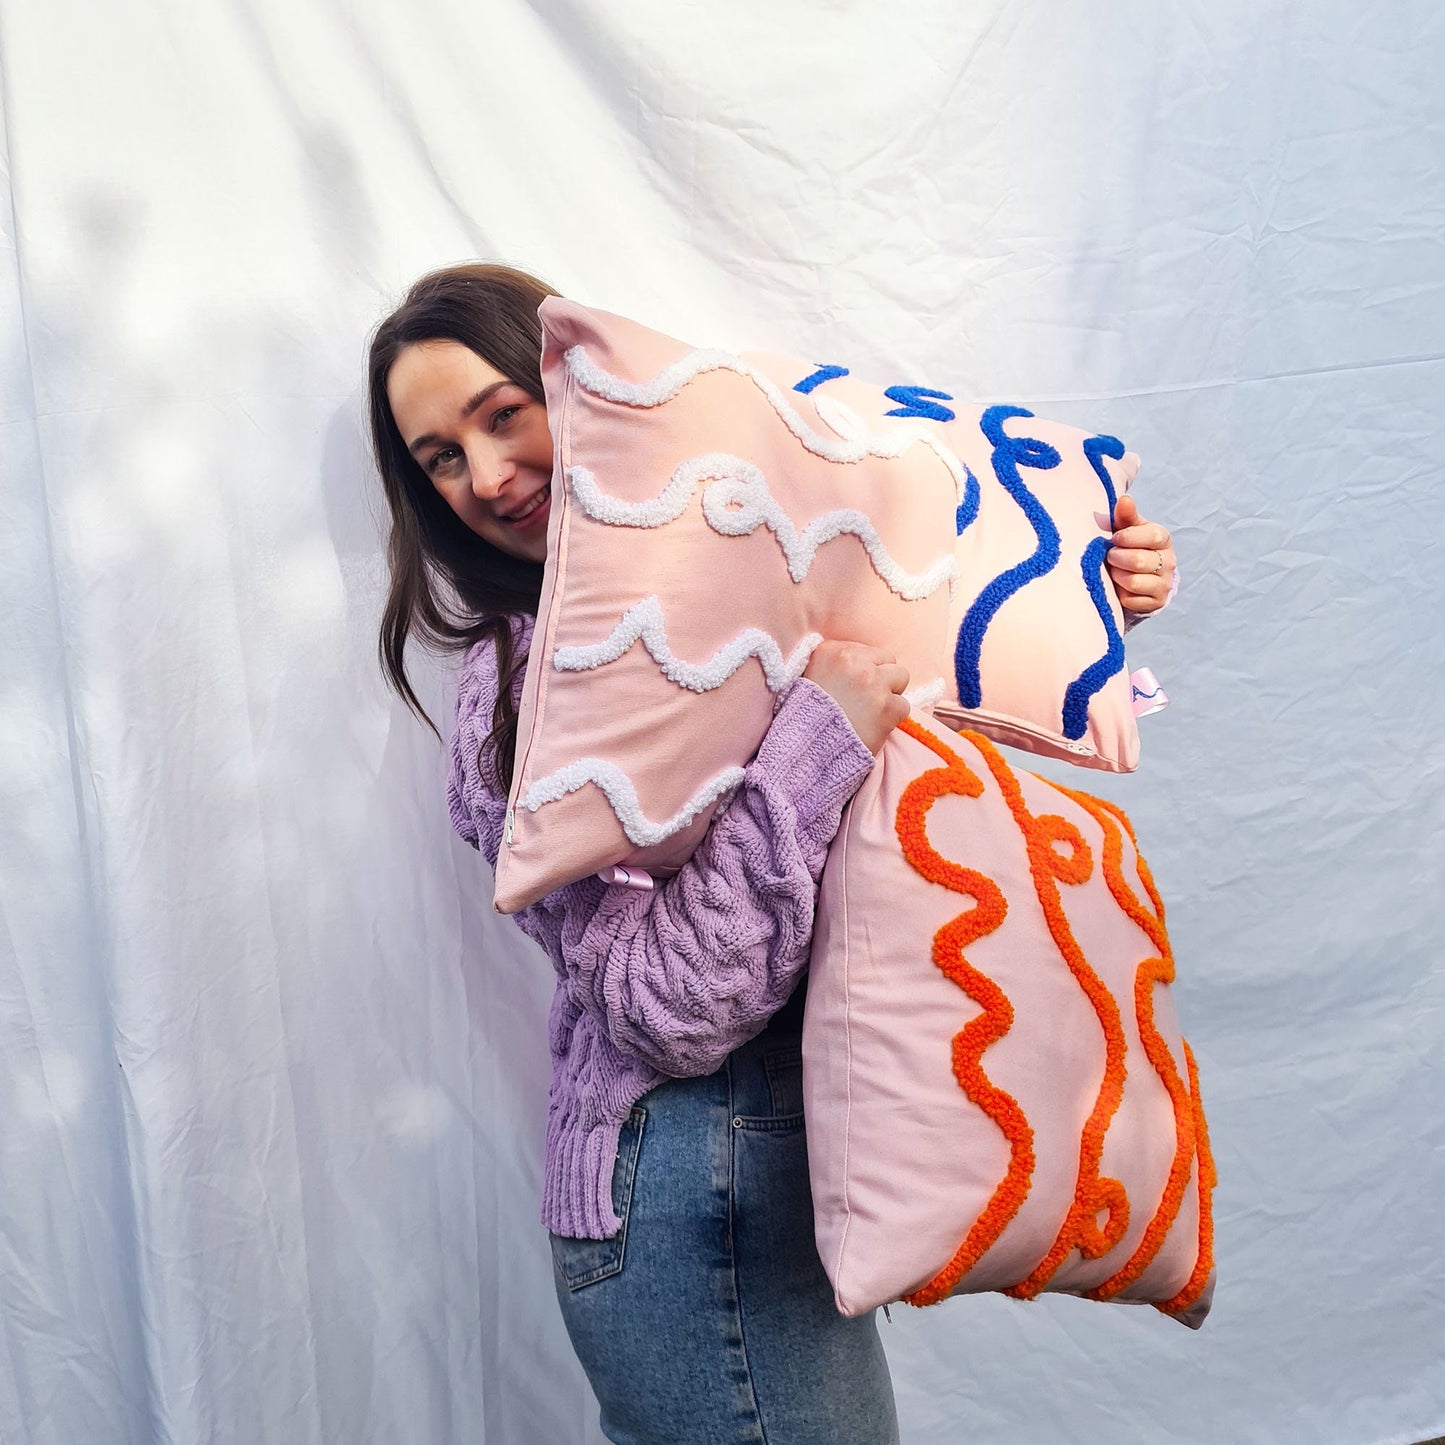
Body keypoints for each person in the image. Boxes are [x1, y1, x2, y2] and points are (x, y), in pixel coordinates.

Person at [367, 263, 1178, 1445]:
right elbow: (665, 1008)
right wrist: (819, 733)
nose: (486, 476)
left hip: (764, 1186)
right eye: (440, 455)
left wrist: (1094, 598)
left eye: (503, 414)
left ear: (592, 391)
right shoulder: (518, 691)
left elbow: (936, 659)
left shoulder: (744, 568)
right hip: (690, 1204)